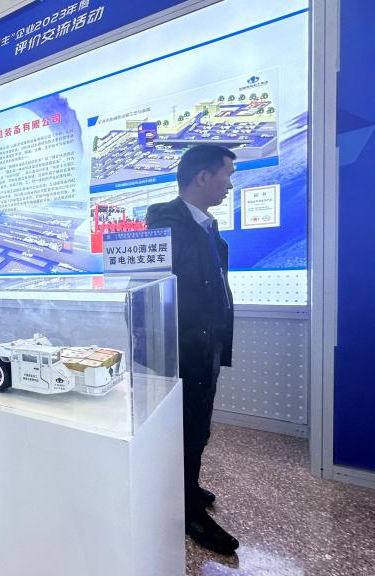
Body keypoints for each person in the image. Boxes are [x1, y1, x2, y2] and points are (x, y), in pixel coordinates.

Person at [145, 144, 238, 555]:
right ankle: (187, 512)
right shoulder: (166, 225)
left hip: (207, 346)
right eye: (226, 175)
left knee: (198, 426)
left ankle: (188, 485)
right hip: (180, 352)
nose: (229, 185)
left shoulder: (207, 228)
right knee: (182, 429)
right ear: (203, 177)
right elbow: (146, 296)